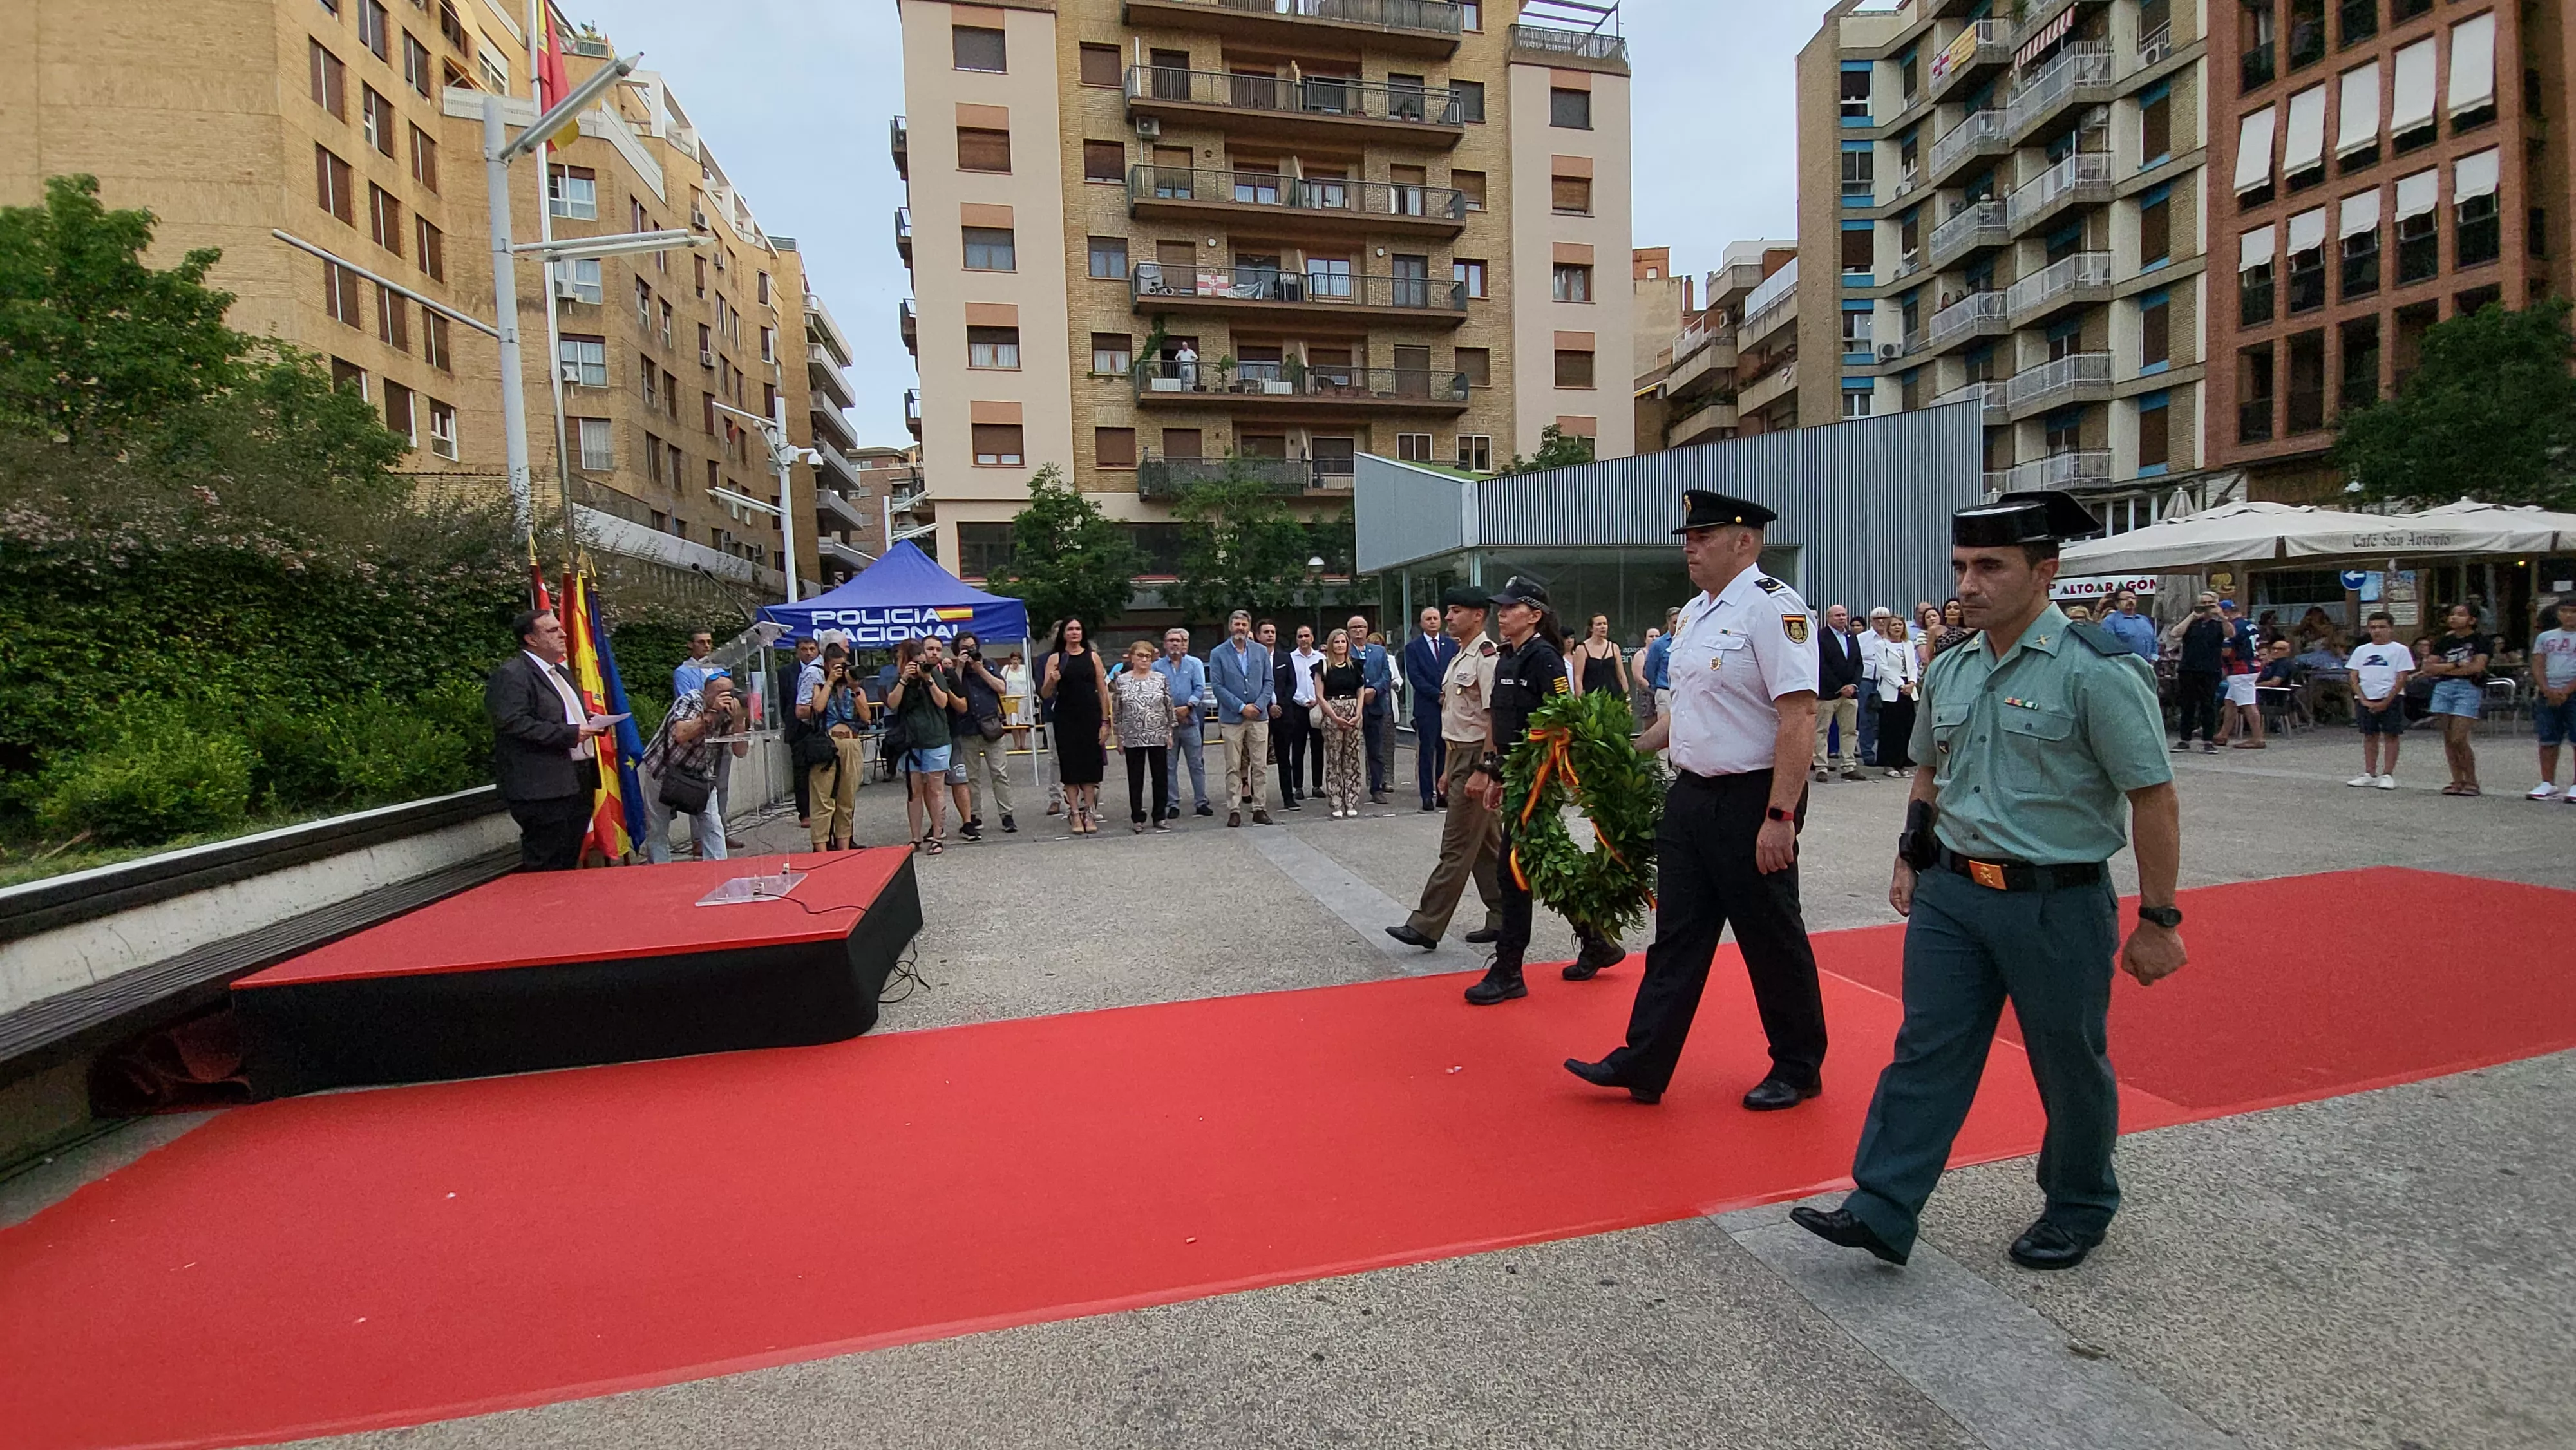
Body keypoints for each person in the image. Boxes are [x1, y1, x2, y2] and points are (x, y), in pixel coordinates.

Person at [1790, 490, 2185, 1274]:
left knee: (2067, 1062)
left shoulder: (2098, 669)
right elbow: (1929, 772)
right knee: (1925, 1049)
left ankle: (2078, 1203)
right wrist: (1910, 853)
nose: (1967, 584)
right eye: (1961, 566)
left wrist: (2160, 917)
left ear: (2044, 572)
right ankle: (1881, 1204)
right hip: (1953, 893)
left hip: (2056, 900)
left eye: (1990, 567)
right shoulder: (1953, 666)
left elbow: (2153, 796)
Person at [1564, 491, 1826, 1108]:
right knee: (1677, 936)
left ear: (1745, 542)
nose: (1690, 547)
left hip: (1753, 797)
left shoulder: (1774, 608)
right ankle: (1644, 1060)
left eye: (1704, 537)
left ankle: (1797, 1066)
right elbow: (1686, 712)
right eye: (1688, 537)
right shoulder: (1693, 614)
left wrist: (1780, 816)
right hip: (1691, 795)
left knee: (1770, 936)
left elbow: (1799, 715)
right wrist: (1628, 749)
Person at [1457, 577, 1624, 1003]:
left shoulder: (1544, 659)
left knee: (1514, 871)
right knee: (1543, 863)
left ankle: (1509, 970)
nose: (1501, 615)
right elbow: (1503, 725)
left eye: (1510, 608)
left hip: (1538, 780)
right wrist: (1494, 772)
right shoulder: (1508, 657)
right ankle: (1596, 941)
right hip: (1516, 777)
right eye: (1501, 608)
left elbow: (1561, 722)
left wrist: (1534, 776)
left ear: (1534, 615)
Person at [1388, 587, 1506, 951]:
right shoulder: (1460, 656)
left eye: (1456, 611)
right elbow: (1457, 719)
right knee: (1487, 847)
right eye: (1448, 611)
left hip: (1476, 757)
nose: (1449, 618)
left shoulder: (1487, 657)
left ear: (1478, 616)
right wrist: (1448, 768)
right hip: (1459, 756)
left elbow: (1495, 718)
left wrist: (1485, 768)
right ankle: (1504, 916)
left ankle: (1426, 924)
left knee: (1456, 847)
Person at [485, 609, 612, 871]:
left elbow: (557, 713)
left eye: (560, 628)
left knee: (569, 856)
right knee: (546, 861)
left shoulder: (562, 672)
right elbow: (513, 723)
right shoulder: (513, 674)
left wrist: (588, 719)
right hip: (542, 785)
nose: (563, 634)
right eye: (553, 630)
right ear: (531, 639)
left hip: (579, 777)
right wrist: (570, 733)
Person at [639, 672, 749, 863]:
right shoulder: (690, 700)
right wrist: (712, 713)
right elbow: (681, 734)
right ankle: (660, 870)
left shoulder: (731, 713)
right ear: (706, 693)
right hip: (663, 770)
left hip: (700, 775)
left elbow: (740, 751)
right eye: (720, 692)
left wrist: (739, 722)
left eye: (730, 692)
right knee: (657, 828)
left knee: (713, 824)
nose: (727, 697)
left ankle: (718, 869)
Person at [884, 636, 958, 854]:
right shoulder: (899, 678)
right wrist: (904, 679)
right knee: (914, 791)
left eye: (921, 661)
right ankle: (915, 838)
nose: (919, 665)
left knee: (936, 790)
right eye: (914, 662)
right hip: (910, 742)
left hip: (936, 739)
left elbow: (943, 702)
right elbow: (892, 703)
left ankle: (937, 836)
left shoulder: (934, 673)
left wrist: (928, 679)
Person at [1041, 617, 1113, 833]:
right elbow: (1045, 693)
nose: (1075, 632)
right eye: (1070, 629)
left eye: (1078, 629)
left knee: (1090, 767)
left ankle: (1089, 812)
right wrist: (1052, 680)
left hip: (1090, 716)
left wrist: (1105, 721)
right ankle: (1074, 813)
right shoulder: (1056, 658)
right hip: (1066, 717)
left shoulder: (1092, 657)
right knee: (1070, 766)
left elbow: (1103, 692)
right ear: (1064, 633)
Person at [802, 641, 873, 850]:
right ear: (826, 666)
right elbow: (818, 707)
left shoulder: (855, 690)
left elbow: (866, 717)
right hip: (828, 744)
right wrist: (831, 681)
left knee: (846, 799)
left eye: (843, 666)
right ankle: (822, 849)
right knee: (823, 800)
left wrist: (854, 688)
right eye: (835, 666)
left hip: (851, 742)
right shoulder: (820, 686)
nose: (841, 670)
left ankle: (844, 847)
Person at [1208, 610, 1275, 827]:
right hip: (1232, 718)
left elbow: (1269, 682)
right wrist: (1240, 707)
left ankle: (1259, 808)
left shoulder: (1260, 651)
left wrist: (1258, 705)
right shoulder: (1218, 653)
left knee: (1260, 765)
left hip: (1259, 716)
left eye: (1244, 625)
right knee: (1233, 765)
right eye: (1237, 624)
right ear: (1230, 627)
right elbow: (1217, 686)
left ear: (1249, 627)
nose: (1240, 628)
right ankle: (1234, 809)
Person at [1110, 639, 1184, 832]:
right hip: (1132, 736)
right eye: (1140, 656)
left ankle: (1159, 816)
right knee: (1135, 778)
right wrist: (1119, 737)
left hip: (1157, 734)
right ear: (1132, 658)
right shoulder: (1122, 681)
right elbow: (1117, 711)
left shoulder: (1160, 679)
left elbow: (1168, 707)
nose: (1144, 659)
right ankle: (1137, 817)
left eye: (1148, 656)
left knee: (1160, 777)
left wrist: (1170, 732)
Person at [947, 632, 1016, 837]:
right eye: (965, 648)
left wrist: (980, 668)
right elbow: (955, 692)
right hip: (967, 728)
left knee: (1000, 773)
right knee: (971, 777)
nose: (970, 651)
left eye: (973, 647)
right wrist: (960, 667)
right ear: (957, 650)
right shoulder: (954, 670)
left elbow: (1001, 688)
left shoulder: (989, 664)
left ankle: (1007, 814)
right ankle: (975, 815)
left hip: (991, 726)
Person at [2420, 603, 2492, 796]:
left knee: (2458, 737)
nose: (2454, 618)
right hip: (2444, 688)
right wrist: (2456, 665)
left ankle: (2472, 781)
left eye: (2460, 615)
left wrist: (2446, 668)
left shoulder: (2481, 641)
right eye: (2452, 614)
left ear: (2472, 620)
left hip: (2468, 688)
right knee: (2448, 738)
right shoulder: (2444, 641)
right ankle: (2457, 780)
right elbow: (2429, 667)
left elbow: (2476, 667)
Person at [2345, 611, 2413, 789]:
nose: (2377, 631)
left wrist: (2386, 701)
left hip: (2390, 697)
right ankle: (2370, 773)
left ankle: (2388, 774)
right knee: (2370, 735)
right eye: (2373, 627)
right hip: (2366, 697)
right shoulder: (2361, 650)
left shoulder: (2400, 650)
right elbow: (2353, 676)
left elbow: (2401, 677)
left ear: (2391, 629)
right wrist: (2363, 698)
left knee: (2391, 735)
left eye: (2382, 627)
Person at [1311, 628, 1372, 817]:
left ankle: (1351, 800)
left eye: (1343, 642)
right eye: (1336, 642)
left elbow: (1361, 691)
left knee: (1352, 757)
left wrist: (1358, 713)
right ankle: (1336, 801)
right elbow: (1319, 695)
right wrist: (1334, 717)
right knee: (1334, 758)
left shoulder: (1356, 666)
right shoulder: (1322, 667)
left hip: (1353, 711)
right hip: (1332, 712)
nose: (1340, 645)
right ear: (1331, 645)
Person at [1403, 605, 1457, 811]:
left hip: (1449, 705)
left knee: (1445, 750)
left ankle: (1443, 793)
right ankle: (1427, 795)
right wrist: (1437, 695)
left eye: (1436, 618)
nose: (1433, 622)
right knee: (1427, 751)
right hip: (1427, 706)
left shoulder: (1451, 645)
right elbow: (1415, 677)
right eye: (1428, 619)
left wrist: (1449, 694)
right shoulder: (1413, 648)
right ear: (1421, 623)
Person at [1154, 628, 1213, 819]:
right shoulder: (1157, 667)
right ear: (1165, 644)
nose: (1175, 644)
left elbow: (1199, 688)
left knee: (1196, 763)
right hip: (1167, 724)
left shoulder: (1193, 664)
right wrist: (1172, 712)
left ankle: (1201, 801)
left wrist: (1188, 707)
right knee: (1169, 765)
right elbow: (1156, 692)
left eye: (1178, 641)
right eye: (1171, 640)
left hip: (1190, 720)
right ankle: (1172, 803)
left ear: (1183, 643)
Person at [1813, 603, 1865, 782]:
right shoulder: (1820, 637)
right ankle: (1821, 766)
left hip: (1851, 693)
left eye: (1844, 615)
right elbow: (1821, 665)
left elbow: (1858, 663)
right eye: (1837, 615)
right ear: (1828, 618)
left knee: (1850, 730)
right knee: (1822, 730)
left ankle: (1849, 765)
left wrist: (1853, 685)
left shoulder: (1851, 637)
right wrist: (1839, 687)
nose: (1842, 618)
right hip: (1828, 693)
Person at [2530, 599, 2576, 800]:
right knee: (2548, 738)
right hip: (2548, 691)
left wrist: (2567, 690)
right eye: (2564, 611)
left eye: (2573, 612)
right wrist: (2546, 689)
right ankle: (2547, 782)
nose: (2569, 615)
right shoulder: (2545, 637)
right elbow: (2538, 663)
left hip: (2572, 691)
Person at [1349, 614, 1396, 804]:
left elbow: (1386, 675)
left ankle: (1376, 788)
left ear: (1367, 629)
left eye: (1361, 627)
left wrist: (1374, 690)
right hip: (1351, 707)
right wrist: (1360, 693)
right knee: (1350, 750)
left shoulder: (1379, 651)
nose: (1358, 630)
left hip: (1375, 705)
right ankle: (1349, 788)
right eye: (1354, 627)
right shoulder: (1343, 650)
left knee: (1376, 750)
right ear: (1349, 631)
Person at [2172, 592, 2226, 753]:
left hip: (2211, 669)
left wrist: (2222, 617)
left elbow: (2231, 634)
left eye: (2210, 603)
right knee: (2187, 705)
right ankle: (2184, 740)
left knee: (2208, 705)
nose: (2206, 606)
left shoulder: (2218, 624)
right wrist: (2192, 616)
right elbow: (2175, 633)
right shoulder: (2192, 623)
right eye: (2203, 603)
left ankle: (2208, 740)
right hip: (2189, 668)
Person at [777, 636, 821, 829]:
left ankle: (821, 809)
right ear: (797, 652)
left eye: (812, 649)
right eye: (804, 649)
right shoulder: (786, 672)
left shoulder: (822, 670)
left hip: (818, 726)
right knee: (801, 771)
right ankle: (805, 812)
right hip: (797, 728)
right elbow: (782, 701)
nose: (809, 653)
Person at [1871, 608, 1921, 777]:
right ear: (1889, 628)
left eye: (1900, 625)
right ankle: (1889, 764)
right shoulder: (1882, 645)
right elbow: (1883, 668)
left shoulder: (1908, 644)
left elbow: (1913, 665)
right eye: (1894, 625)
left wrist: (1912, 683)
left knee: (1906, 727)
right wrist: (1901, 685)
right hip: (1892, 689)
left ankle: (1903, 763)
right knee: (1891, 728)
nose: (1897, 627)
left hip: (1909, 688)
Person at [1265, 621, 1308, 809]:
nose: (1270, 635)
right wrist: (1268, 706)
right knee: (1257, 760)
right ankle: (1256, 798)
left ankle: (1288, 797)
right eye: (1266, 632)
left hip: (1283, 714)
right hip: (1261, 713)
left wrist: (1279, 705)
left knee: (1284, 758)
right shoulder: (1255, 658)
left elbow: (1292, 684)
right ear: (1258, 636)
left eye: (1273, 632)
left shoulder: (1284, 657)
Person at [2213, 600, 2266, 748]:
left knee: (2248, 704)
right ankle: (2223, 734)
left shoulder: (2232, 627)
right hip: (2252, 665)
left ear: (2225, 612)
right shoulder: (2249, 624)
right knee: (2230, 701)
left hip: (2240, 669)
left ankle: (2258, 738)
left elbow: (2227, 651)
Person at [1571, 614, 1633, 726]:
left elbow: (1621, 675)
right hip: (1592, 695)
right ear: (1591, 628)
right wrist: (1580, 702)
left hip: (1613, 694)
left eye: (1605, 624)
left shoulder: (1614, 647)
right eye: (1598, 624)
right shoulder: (1582, 648)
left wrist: (1627, 697)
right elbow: (1578, 678)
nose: (1603, 627)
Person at [1287, 624, 1326, 798]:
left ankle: (1317, 785)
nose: (1304, 639)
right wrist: (1303, 700)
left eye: (1306, 636)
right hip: (1298, 707)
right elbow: (1290, 683)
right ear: (1297, 640)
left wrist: (1318, 700)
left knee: (1318, 747)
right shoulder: (1290, 658)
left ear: (1312, 638)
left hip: (1318, 706)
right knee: (1298, 748)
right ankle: (1298, 787)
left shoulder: (1321, 658)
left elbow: (1325, 681)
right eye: (1300, 636)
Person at [1856, 608, 1888, 766]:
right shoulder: (1862, 638)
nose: (1881, 621)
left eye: (1884, 618)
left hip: (1888, 682)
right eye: (1877, 619)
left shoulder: (1893, 637)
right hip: (1867, 681)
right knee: (1866, 718)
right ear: (1871, 621)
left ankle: (1885, 755)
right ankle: (1867, 754)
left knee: (1886, 720)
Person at [1643, 605, 1680, 722]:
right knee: (1665, 726)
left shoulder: (1688, 642)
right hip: (1665, 690)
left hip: (1684, 692)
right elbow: (1650, 670)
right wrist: (1657, 688)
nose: (1678, 625)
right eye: (1675, 622)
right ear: (1668, 623)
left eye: (1681, 622)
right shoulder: (1658, 644)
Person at [2102, 590, 2158, 660]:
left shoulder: (2144, 619)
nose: (2130, 601)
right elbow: (2109, 646)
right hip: (2124, 664)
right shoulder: (2110, 621)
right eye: (2126, 599)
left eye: (2133, 598)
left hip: (2148, 665)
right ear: (2117, 603)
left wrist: (2153, 661)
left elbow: (2154, 643)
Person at [1630, 626, 1663, 731]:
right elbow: (1638, 677)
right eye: (1651, 636)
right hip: (1647, 695)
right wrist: (1653, 690)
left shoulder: (1663, 653)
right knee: (1649, 726)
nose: (1654, 638)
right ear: (1645, 639)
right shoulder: (1641, 654)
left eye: (1657, 636)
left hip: (1662, 693)